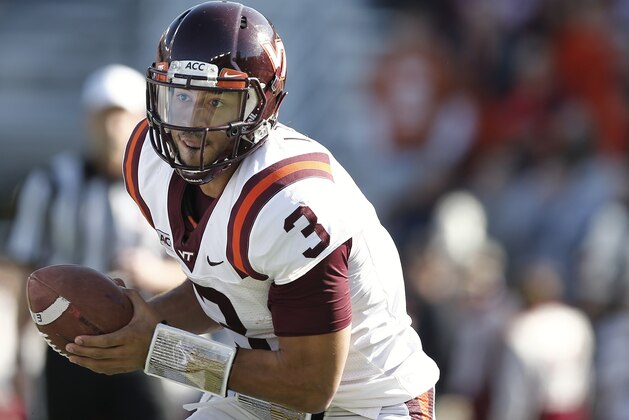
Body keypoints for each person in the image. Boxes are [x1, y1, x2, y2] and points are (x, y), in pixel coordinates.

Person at [66, 2, 440, 419]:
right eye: (182, 95)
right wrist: (144, 320)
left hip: (367, 398)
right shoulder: (146, 160)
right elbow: (228, 288)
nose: (190, 124)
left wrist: (160, 350)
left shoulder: (291, 202)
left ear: (260, 109)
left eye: (215, 103)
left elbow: (310, 386)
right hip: (259, 387)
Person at [3, 64, 194, 420]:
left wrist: (155, 273)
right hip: (69, 343)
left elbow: (203, 274)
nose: (111, 128)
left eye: (121, 117)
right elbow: (22, 271)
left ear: (142, 121)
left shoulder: (173, 186)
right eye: (103, 116)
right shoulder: (50, 183)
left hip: (148, 338)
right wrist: (15, 351)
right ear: (87, 121)